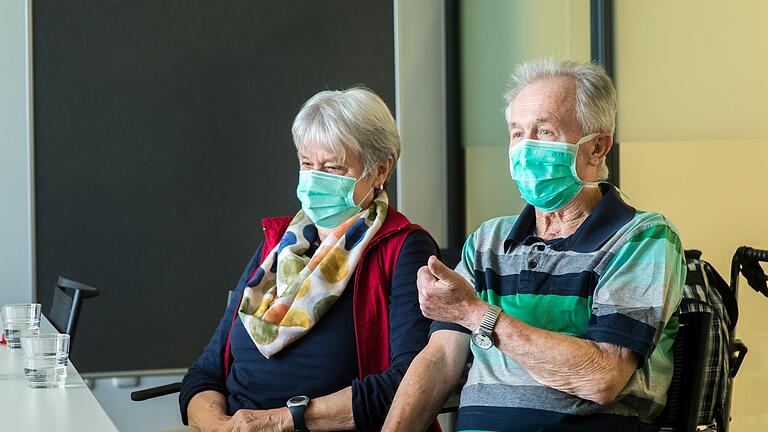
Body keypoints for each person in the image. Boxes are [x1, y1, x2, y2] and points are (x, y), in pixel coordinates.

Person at [382, 59, 685, 432]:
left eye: (544, 132)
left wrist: (478, 315)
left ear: (597, 148)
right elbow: (441, 360)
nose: (525, 149)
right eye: (517, 133)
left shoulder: (640, 237)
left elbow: (602, 377)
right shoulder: (487, 242)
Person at [180, 87, 438, 432]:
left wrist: (280, 422)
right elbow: (206, 372)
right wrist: (219, 426)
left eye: (333, 168)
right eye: (306, 164)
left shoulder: (404, 248)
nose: (315, 178)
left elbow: (409, 383)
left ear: (380, 170)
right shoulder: (278, 245)